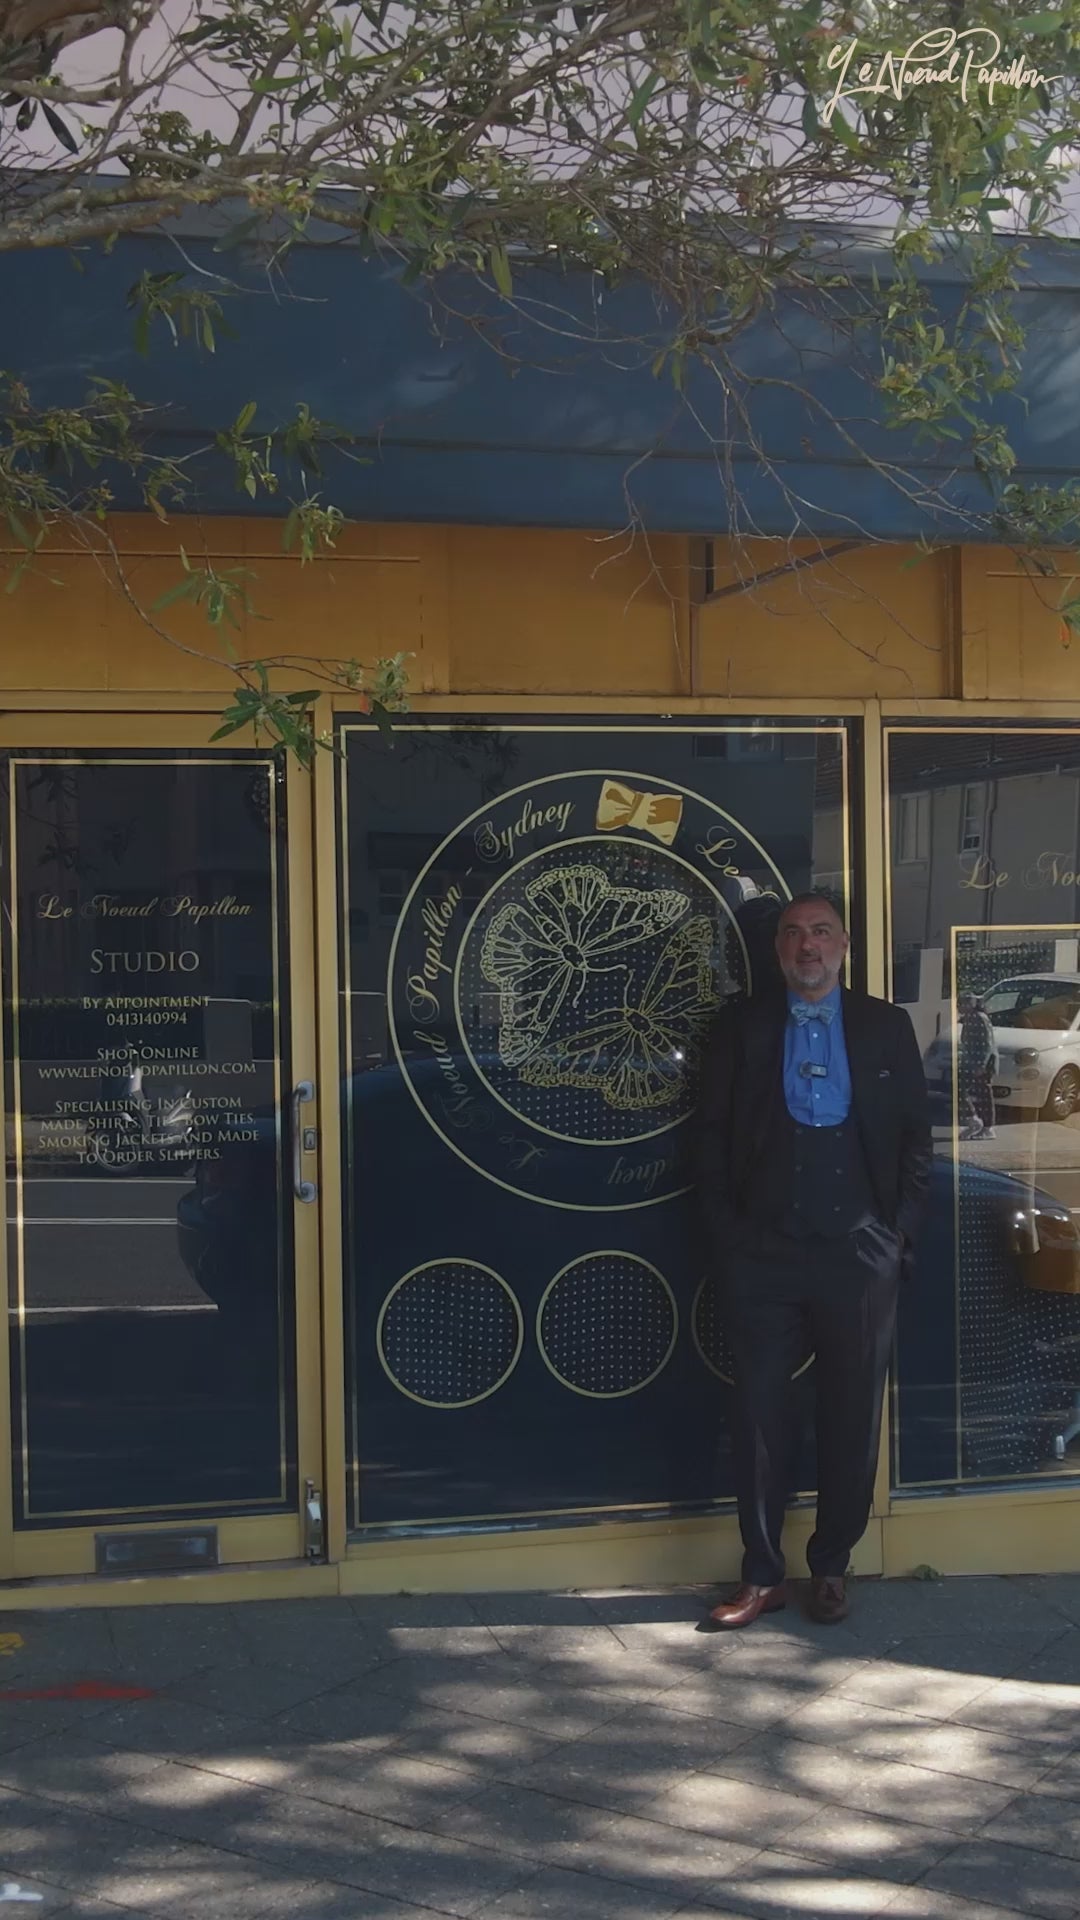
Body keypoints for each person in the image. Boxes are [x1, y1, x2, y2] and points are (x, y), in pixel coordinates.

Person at [693, 892, 932, 1628]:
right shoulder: (741, 1027)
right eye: (793, 933)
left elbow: (915, 1141)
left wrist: (896, 1237)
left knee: (852, 1415)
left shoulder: (886, 1026)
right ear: (777, 950)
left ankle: (831, 1565)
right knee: (759, 1414)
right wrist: (730, 1237)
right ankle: (761, 1575)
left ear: (844, 945)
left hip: (859, 1253)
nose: (807, 946)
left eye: (821, 932)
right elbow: (709, 1138)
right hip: (763, 1253)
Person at [957, 991, 998, 1141]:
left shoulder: (980, 1018)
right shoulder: (968, 1019)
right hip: (970, 1062)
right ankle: (972, 1120)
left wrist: (981, 1065)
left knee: (983, 1095)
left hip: (982, 1064)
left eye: (962, 1003)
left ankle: (987, 1128)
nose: (959, 1007)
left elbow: (987, 1044)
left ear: (970, 1004)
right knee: (960, 1089)